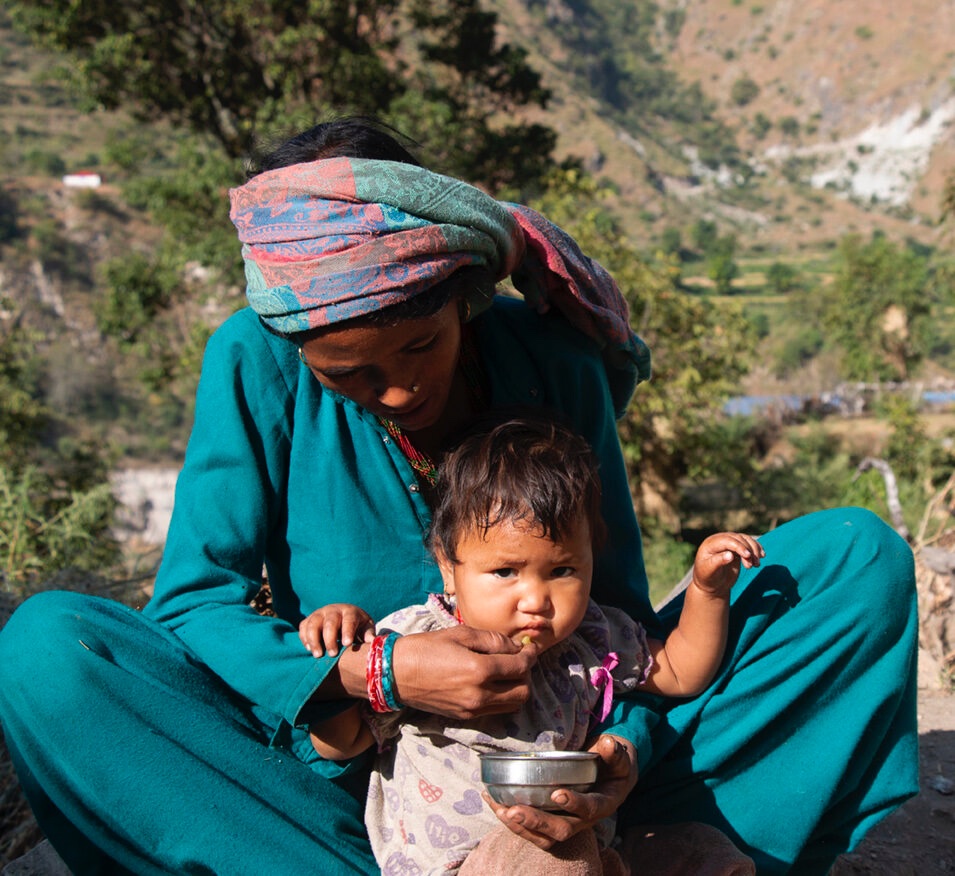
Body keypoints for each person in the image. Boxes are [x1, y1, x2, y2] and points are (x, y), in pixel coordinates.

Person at [0, 116, 917, 875]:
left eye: (417, 346)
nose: (395, 391)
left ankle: (611, 842)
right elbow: (196, 602)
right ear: (293, 344)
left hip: (564, 767)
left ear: (461, 294)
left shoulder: (555, 362)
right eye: (348, 374)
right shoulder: (251, 359)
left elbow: (618, 618)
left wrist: (619, 753)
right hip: (351, 783)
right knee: (50, 650)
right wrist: (373, 674)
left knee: (851, 561)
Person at [299, 413, 764, 875]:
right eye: (505, 572)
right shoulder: (417, 641)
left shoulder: (591, 639)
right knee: (550, 862)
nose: (537, 600)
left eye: (563, 571)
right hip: (463, 867)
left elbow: (683, 671)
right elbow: (340, 745)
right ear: (448, 567)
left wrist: (708, 591)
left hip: (590, 854)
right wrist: (344, 653)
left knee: (703, 852)